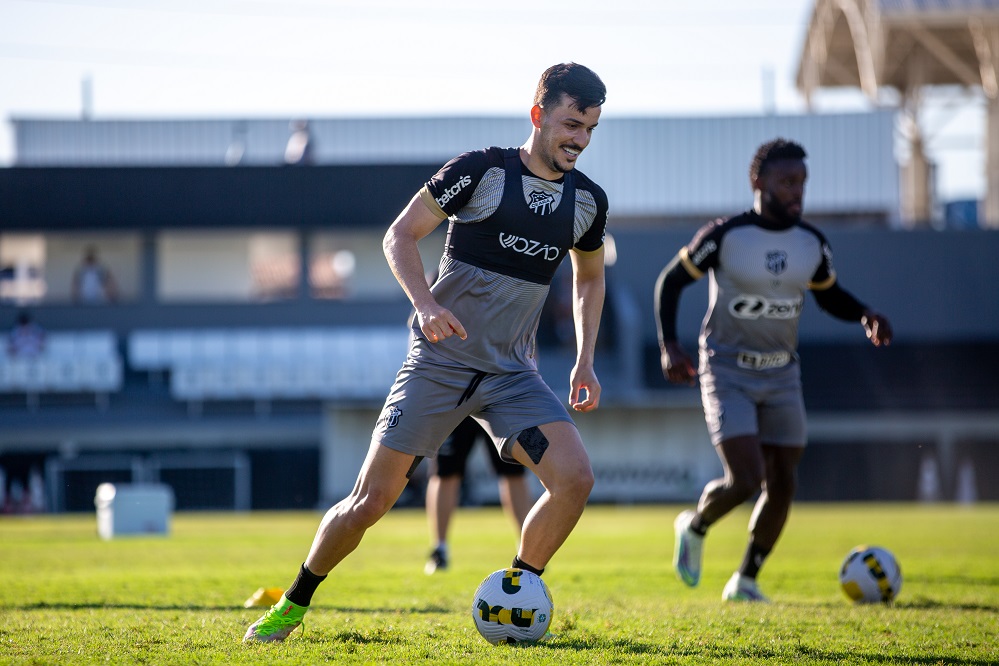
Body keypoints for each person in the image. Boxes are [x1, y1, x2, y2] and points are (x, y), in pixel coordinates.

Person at [245, 62, 609, 642]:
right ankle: (293, 602)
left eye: (590, 128)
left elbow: (589, 277)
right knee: (371, 501)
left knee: (576, 479)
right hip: (439, 363)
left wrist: (585, 358)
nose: (579, 140)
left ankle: (515, 591)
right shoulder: (481, 170)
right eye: (570, 124)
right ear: (538, 116)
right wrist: (424, 304)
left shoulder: (587, 202)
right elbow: (399, 234)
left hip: (513, 375)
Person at [655, 138, 892, 602]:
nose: (797, 192)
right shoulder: (725, 236)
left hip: (783, 374)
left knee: (783, 482)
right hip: (726, 369)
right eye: (787, 182)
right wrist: (669, 346)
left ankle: (745, 581)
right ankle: (696, 525)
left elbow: (827, 293)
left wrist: (864, 312)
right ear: (757, 182)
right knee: (745, 478)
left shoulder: (811, 243)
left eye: (802, 182)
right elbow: (670, 282)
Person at [423, 417, 533, 574]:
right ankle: (439, 550)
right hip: (458, 399)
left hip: (497, 398)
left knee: (513, 470)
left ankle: (528, 550)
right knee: (445, 472)